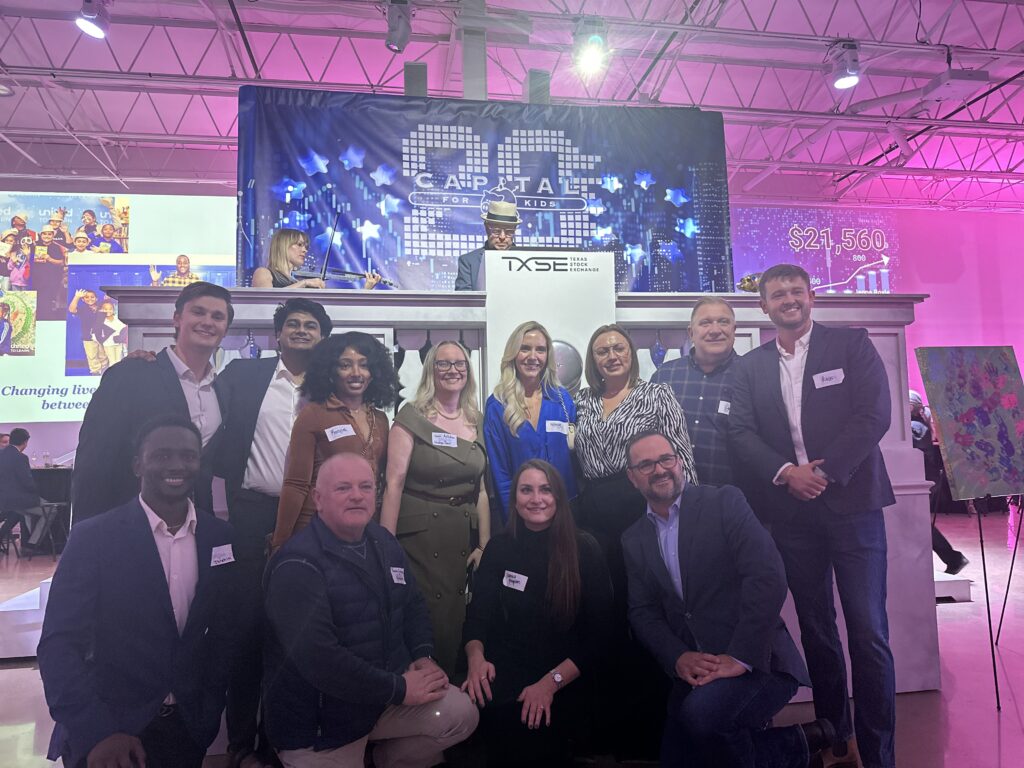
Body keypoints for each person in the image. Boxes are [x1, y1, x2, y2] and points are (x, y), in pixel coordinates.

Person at [729, 263, 896, 768]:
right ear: (763, 305)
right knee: (817, 629)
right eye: (777, 294)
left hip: (854, 508)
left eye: (796, 291)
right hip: (793, 515)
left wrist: (824, 473)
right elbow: (740, 431)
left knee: (868, 633)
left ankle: (878, 752)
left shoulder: (851, 346)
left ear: (812, 296)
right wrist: (786, 473)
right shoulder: (749, 366)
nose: (788, 299)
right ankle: (836, 739)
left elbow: (875, 414)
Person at [622, 430, 834, 768]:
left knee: (701, 718)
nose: (659, 470)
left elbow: (767, 577)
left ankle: (797, 745)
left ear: (680, 461)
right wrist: (678, 657)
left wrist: (740, 656)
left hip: (760, 661)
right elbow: (642, 612)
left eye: (665, 459)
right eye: (645, 465)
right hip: (697, 669)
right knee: (678, 761)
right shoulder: (634, 539)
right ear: (632, 478)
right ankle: (802, 742)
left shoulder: (724, 502)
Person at [38, 415, 236, 768]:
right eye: (161, 455)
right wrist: (96, 731)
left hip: (187, 732)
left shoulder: (219, 538)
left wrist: (207, 712)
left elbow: (223, 635)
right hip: (108, 736)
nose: (176, 465)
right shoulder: (93, 538)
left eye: (188, 455)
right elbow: (59, 644)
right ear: (137, 465)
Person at [263, 453, 479, 767]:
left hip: (380, 701)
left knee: (462, 714)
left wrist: (422, 655)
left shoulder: (384, 543)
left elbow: (414, 604)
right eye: (343, 488)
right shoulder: (297, 565)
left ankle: (383, 759)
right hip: (321, 726)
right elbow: (321, 661)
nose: (356, 495)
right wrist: (400, 688)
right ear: (318, 499)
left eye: (365, 487)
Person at [207, 297, 333, 768]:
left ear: (322, 339)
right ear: (278, 335)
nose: (302, 331)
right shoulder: (244, 376)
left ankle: (282, 740)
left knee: (297, 631)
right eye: (293, 324)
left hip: (312, 520)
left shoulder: (330, 389)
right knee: (246, 626)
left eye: (311, 326)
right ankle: (241, 744)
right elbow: (197, 399)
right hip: (251, 514)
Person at [573, 322, 698, 758]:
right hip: (591, 523)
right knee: (600, 615)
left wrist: (691, 519)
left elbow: (680, 454)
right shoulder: (581, 400)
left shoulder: (655, 395)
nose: (611, 355)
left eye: (618, 348)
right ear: (594, 359)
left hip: (640, 513)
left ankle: (650, 728)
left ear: (631, 354)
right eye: (602, 349)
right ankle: (604, 727)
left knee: (643, 613)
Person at [462, 459, 613, 767]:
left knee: (536, 740)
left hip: (564, 676)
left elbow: (599, 638)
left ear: (558, 495)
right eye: (526, 490)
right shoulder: (500, 547)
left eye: (545, 490)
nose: (536, 499)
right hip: (509, 668)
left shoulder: (584, 549)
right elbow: (478, 616)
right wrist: (475, 660)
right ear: (514, 499)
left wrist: (550, 683)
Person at [72, 281, 233, 522]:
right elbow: (94, 462)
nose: (208, 322)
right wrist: (86, 536)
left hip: (192, 525)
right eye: (198, 312)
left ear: (225, 329)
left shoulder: (222, 390)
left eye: (217, 316)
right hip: (130, 521)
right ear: (177, 319)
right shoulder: (130, 375)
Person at [381, 340, 491, 675]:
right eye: (443, 364)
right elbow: (394, 483)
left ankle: (457, 698)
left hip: (461, 532)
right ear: (431, 370)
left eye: (459, 363)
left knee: (458, 614)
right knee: (427, 615)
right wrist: (385, 547)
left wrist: (484, 543)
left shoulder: (477, 418)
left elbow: (482, 490)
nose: (453, 370)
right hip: (419, 537)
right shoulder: (411, 416)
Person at [270, 331, 398, 550]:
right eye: (345, 365)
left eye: (364, 365)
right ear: (331, 371)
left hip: (363, 531)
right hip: (317, 529)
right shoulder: (313, 414)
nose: (356, 373)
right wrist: (280, 542)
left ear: (375, 372)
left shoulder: (381, 419)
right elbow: (296, 484)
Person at [484, 321, 578, 524]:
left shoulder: (562, 400)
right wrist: (513, 519)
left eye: (540, 350)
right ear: (513, 354)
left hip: (567, 511)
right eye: (525, 348)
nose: (533, 357)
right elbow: (500, 473)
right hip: (524, 514)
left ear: (548, 356)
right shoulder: (497, 406)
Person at [651, 296, 740, 486]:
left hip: (732, 496)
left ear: (734, 330)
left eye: (723, 322)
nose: (715, 330)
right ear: (691, 333)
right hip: (672, 495)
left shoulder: (751, 375)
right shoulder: (664, 376)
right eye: (705, 323)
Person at [909, 390, 969, 575]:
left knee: (916, 522)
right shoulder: (917, 426)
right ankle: (951, 558)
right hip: (925, 479)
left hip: (922, 480)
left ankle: (953, 558)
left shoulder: (913, 427)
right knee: (916, 522)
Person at [251, 227, 382, 289]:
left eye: (306, 246)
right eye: (299, 245)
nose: (305, 250)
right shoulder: (264, 273)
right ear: (283, 246)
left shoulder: (295, 280)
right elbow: (266, 302)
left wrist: (366, 290)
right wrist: (305, 283)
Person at [454, 201, 519, 291]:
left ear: (515, 230)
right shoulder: (468, 261)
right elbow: (465, 301)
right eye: (496, 231)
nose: (502, 237)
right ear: (486, 228)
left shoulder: (531, 260)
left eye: (508, 232)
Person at [0, 427, 48, 549]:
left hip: (4, 500)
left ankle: (26, 542)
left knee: (21, 512)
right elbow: (27, 483)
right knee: (49, 510)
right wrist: (38, 492)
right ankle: (33, 543)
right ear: (25, 442)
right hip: (18, 501)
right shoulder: (21, 458)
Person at [67, 288, 108, 375]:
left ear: (96, 298)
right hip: (88, 337)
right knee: (92, 356)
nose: (90, 299)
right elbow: (71, 309)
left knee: (103, 355)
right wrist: (76, 297)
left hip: (102, 336)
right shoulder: (82, 309)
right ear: (83, 299)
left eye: (92, 297)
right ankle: (95, 372)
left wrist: (108, 299)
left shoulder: (102, 306)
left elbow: (110, 310)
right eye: (87, 297)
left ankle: (105, 372)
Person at [96, 299, 128, 366]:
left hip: (118, 343)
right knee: (112, 361)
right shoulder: (101, 320)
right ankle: (113, 375)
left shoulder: (117, 318)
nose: (108, 311)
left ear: (113, 310)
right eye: (105, 309)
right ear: (101, 310)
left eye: (110, 309)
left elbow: (123, 327)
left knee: (119, 361)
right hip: (108, 344)